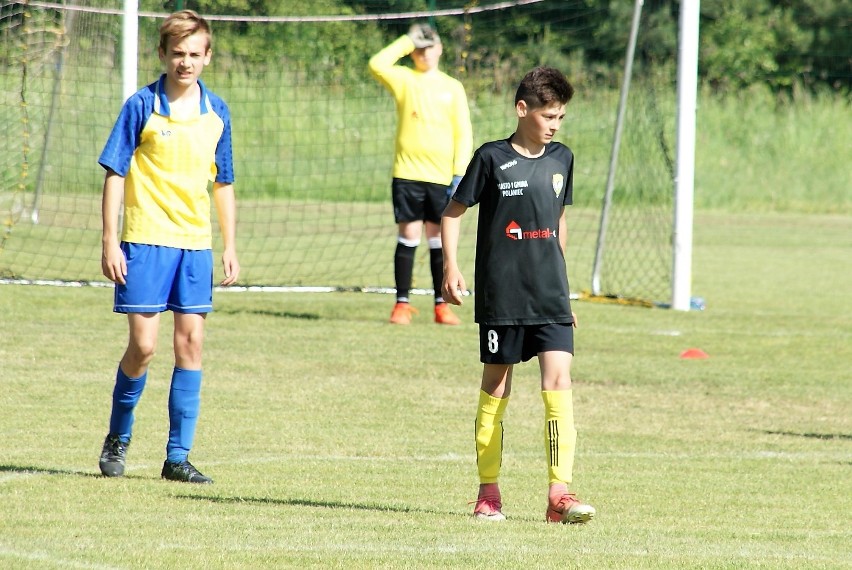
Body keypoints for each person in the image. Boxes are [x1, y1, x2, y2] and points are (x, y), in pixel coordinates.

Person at [441, 67, 595, 523]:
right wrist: (451, 266)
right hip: (503, 296)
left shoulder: (562, 158)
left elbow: (559, 222)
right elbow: (452, 213)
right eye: (549, 115)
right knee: (497, 387)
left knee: (559, 384)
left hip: (550, 296)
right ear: (522, 109)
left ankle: (559, 495)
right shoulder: (490, 158)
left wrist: (564, 292)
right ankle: (488, 493)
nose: (554, 125)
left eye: (561, 117)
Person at [96, 10, 239, 484]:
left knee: (191, 344)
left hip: (194, 244)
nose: (185, 62)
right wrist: (109, 240)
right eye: (177, 53)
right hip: (144, 241)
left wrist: (230, 245)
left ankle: (177, 457)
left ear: (207, 57)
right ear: (162, 54)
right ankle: (118, 436)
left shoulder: (217, 112)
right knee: (143, 346)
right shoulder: (141, 105)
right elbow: (115, 174)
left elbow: (224, 183)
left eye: (194, 54)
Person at [369, 23, 473, 325]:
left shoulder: (452, 87)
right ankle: (401, 305)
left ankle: (442, 306)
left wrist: (459, 172)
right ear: (413, 52)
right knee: (409, 235)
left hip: (442, 177)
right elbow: (376, 64)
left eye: (429, 47)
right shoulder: (404, 80)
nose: (425, 53)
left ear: (440, 49)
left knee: (438, 238)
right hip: (407, 174)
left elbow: (463, 132)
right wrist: (406, 40)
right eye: (419, 48)